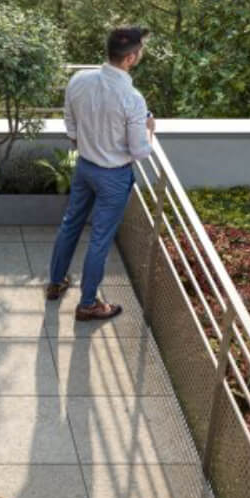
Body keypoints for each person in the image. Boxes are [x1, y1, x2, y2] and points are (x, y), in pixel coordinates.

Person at [46, 26, 155, 321]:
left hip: (85, 166)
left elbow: (69, 120)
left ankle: (55, 282)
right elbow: (140, 151)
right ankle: (87, 304)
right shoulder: (132, 98)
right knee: (100, 239)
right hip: (113, 176)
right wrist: (150, 130)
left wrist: (81, 141)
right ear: (130, 58)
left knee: (71, 223)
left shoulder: (80, 79)